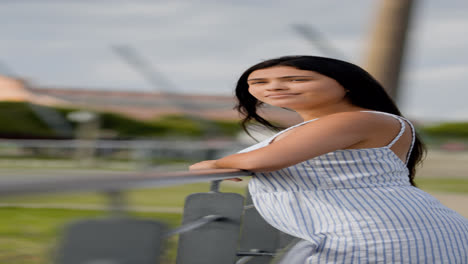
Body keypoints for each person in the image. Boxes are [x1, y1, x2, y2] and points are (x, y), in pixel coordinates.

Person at [189, 56, 468, 263]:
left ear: (346, 85)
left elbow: (268, 159)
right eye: (259, 82)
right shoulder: (326, 125)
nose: (274, 87)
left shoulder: (359, 119)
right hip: (364, 233)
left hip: (385, 236)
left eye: (297, 79)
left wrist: (214, 164)